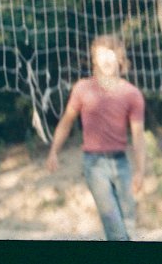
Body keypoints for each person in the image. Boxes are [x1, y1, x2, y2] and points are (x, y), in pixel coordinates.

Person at [45, 35, 145, 241]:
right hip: (94, 164)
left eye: (110, 53)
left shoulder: (131, 94)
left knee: (129, 223)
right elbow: (66, 121)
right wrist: (54, 151)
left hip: (121, 163)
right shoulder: (83, 88)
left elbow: (138, 135)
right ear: (94, 60)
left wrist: (140, 170)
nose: (106, 60)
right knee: (114, 225)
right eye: (100, 55)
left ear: (119, 57)